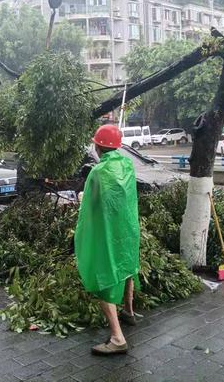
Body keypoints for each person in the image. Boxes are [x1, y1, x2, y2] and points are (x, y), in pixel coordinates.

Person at [74, 125, 140, 356]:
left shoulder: (99, 172)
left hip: (109, 234)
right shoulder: (128, 165)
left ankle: (117, 338)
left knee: (105, 279)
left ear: (98, 145)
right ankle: (129, 312)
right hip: (128, 230)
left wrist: (82, 196)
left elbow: (90, 205)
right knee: (127, 267)